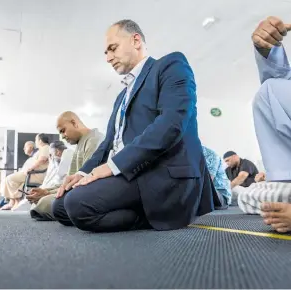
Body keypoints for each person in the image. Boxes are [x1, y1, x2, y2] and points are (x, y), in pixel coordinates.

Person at [52, 19, 216, 232]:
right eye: (106, 53)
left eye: (113, 48)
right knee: (61, 206)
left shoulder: (170, 65)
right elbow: (107, 145)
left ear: (136, 40)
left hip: (158, 174)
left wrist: (112, 167)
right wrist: (83, 174)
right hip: (128, 175)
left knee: (77, 205)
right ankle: (143, 211)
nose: (109, 58)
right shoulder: (121, 96)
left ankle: (155, 215)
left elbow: (170, 125)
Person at [237, 16, 291, 233]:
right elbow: (281, 84)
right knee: (269, 90)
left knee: (248, 195)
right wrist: (267, 49)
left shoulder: (244, 165)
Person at [29, 112, 104, 221]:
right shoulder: (80, 143)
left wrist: (49, 194)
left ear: (74, 123)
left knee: (45, 203)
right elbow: (70, 180)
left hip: (90, 192)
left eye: (63, 131)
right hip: (77, 189)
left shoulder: (94, 140)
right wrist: (47, 191)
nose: (62, 136)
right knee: (44, 201)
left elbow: (85, 181)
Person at [0, 134, 50, 210]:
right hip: (30, 174)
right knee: (13, 181)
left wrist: (30, 168)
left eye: (36, 140)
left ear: (40, 140)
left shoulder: (46, 148)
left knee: (10, 179)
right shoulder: (41, 149)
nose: (35, 142)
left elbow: (42, 160)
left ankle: (16, 201)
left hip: (35, 175)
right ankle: (13, 202)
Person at [28, 141, 73, 220]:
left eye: (51, 154)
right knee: (39, 196)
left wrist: (47, 193)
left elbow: (62, 179)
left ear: (58, 152)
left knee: (44, 201)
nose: (50, 157)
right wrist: (45, 191)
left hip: (69, 187)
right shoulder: (56, 160)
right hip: (60, 187)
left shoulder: (68, 155)